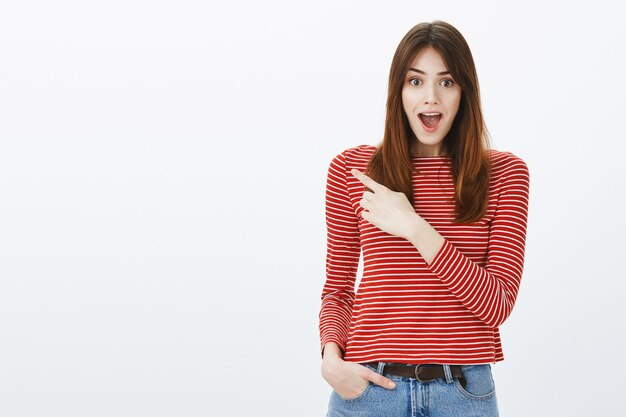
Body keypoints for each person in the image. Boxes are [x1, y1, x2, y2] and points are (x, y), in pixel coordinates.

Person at [319, 20, 530, 417]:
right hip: (368, 390)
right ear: (397, 90)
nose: (430, 97)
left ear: (464, 91)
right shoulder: (353, 170)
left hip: (463, 392)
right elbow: (338, 290)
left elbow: (497, 304)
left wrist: (414, 227)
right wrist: (332, 359)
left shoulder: (504, 174)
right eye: (416, 82)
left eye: (446, 82)